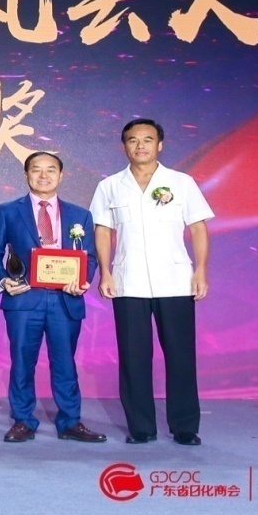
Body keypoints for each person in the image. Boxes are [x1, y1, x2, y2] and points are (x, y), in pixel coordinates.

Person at [89, 118, 213, 446]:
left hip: (175, 281)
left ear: (160, 144)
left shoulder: (181, 182)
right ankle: (141, 427)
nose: (140, 145)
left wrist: (200, 270)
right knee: (133, 357)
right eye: (133, 140)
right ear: (124, 146)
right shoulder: (110, 186)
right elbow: (103, 231)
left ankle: (185, 426)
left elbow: (198, 228)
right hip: (128, 282)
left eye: (147, 139)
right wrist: (105, 272)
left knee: (181, 355)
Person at [0, 151, 106, 444]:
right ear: (26, 175)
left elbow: (89, 257)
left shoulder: (80, 215)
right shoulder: (8, 211)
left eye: (50, 170)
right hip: (24, 299)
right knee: (22, 362)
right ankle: (23, 420)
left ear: (61, 176)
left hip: (65, 299)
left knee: (65, 363)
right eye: (36, 169)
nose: (43, 175)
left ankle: (70, 422)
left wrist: (82, 280)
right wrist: (3, 281)